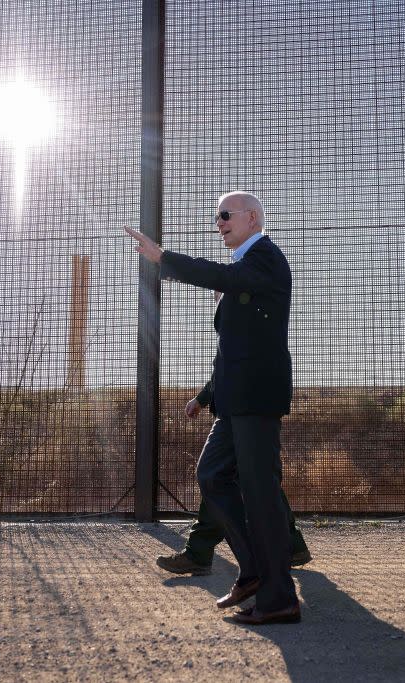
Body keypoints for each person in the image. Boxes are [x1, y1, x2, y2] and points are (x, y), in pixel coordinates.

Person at [125, 191, 300, 625]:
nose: (218, 222)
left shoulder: (265, 257)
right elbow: (233, 347)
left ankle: (279, 597)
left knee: (261, 495)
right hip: (233, 401)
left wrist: (164, 258)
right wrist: (206, 396)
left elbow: (222, 277)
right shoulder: (245, 267)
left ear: (253, 218)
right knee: (212, 475)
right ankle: (255, 571)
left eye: (225, 215)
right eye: (216, 216)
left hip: (256, 400)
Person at [156, 377, 311, 575]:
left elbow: (231, 363)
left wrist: (203, 398)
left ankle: (202, 554)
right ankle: (291, 546)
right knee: (241, 480)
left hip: (243, 409)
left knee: (217, 477)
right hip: (252, 408)